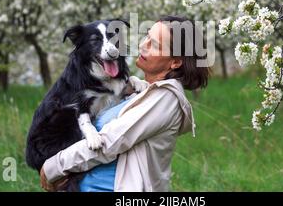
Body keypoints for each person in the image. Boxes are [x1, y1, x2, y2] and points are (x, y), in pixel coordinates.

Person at [40, 15, 210, 192]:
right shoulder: (140, 91)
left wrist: (53, 167)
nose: (143, 45)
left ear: (175, 62)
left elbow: (110, 142)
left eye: (154, 45)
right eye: (146, 37)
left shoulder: (165, 98)